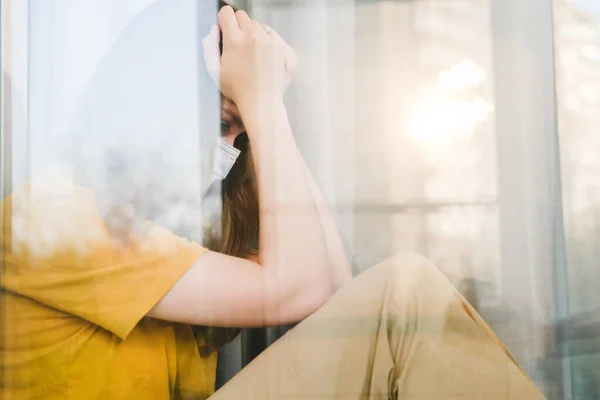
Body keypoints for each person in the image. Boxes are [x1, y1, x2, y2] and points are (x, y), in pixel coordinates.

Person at [0, 1, 545, 399]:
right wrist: (258, 102)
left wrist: (268, 110)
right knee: (405, 291)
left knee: (404, 295)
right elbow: (303, 290)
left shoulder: (162, 237)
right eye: (221, 125)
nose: (230, 152)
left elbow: (333, 293)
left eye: (240, 136)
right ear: (154, 107)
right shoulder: (51, 213)